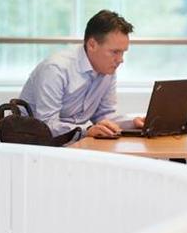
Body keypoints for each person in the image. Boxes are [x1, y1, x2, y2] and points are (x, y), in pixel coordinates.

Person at [19, 10, 144, 139]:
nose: (120, 60)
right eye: (114, 52)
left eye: (123, 52)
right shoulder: (56, 69)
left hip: (70, 142)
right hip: (32, 142)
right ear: (92, 45)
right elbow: (47, 124)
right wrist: (87, 130)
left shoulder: (108, 70)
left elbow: (104, 116)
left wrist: (133, 123)